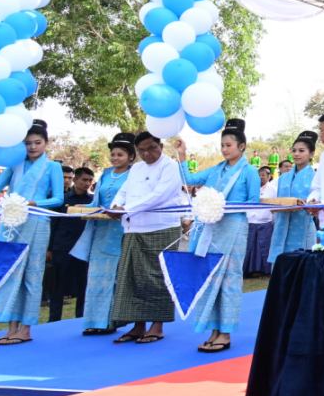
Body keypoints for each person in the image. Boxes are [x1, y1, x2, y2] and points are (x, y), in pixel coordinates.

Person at [185, 119, 261, 353]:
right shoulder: (216, 169)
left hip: (234, 228)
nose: (224, 149)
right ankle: (213, 329)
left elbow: (253, 203)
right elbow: (189, 180)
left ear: (241, 146)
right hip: (212, 229)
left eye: (229, 145)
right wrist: (182, 156)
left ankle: (226, 332)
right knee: (210, 278)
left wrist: (223, 206)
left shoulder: (249, 172)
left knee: (229, 279)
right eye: (222, 145)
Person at [0, 119, 64, 345]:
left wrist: (34, 202)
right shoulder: (15, 164)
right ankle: (11, 327)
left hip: (36, 221)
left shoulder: (52, 167)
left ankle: (26, 328)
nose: (32, 147)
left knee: (32, 273)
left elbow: (58, 198)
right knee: (10, 272)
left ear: (46, 143)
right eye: (28, 143)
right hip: (11, 223)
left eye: (37, 142)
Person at [109, 132, 188, 344]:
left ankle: (157, 325)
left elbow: (159, 196)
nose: (147, 153)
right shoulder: (136, 168)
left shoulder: (170, 166)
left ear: (160, 145)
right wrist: (115, 206)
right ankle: (138, 325)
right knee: (133, 278)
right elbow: (124, 191)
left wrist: (127, 208)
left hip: (161, 228)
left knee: (157, 278)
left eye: (152, 148)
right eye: (142, 150)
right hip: (134, 228)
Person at [73, 133, 136, 335]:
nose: (115, 158)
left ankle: (110, 321)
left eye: (120, 154)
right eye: (113, 154)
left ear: (131, 157)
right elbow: (96, 202)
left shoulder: (134, 175)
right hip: (101, 230)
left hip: (121, 230)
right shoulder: (106, 174)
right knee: (95, 276)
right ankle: (93, 321)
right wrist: (80, 209)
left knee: (114, 277)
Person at [44, 165, 94, 323]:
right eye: (84, 180)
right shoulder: (62, 200)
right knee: (57, 286)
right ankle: (54, 320)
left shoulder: (92, 201)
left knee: (83, 285)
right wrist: (49, 248)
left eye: (90, 180)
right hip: (62, 247)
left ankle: (81, 319)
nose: (87, 183)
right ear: (76, 180)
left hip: (84, 248)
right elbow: (53, 224)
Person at [267, 131, 318, 266]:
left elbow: (317, 200)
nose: (296, 154)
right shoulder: (283, 177)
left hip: (303, 224)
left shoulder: (315, 177)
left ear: (311, 154)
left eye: (301, 151)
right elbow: (274, 199)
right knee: (280, 264)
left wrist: (310, 204)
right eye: (294, 150)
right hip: (281, 225)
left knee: (301, 265)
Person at [243, 165, 276, 277]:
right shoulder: (250, 188)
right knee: (249, 246)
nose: (261, 177)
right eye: (259, 175)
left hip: (265, 221)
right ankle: (248, 270)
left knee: (264, 246)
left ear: (269, 176)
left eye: (263, 175)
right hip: (250, 220)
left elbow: (275, 206)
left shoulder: (273, 189)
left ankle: (265, 270)